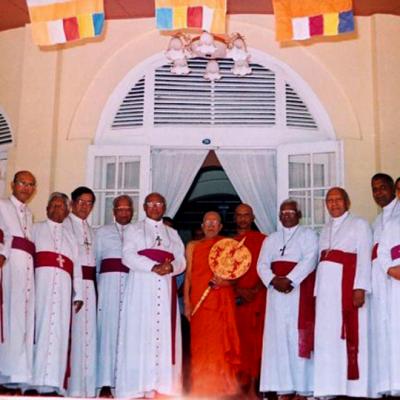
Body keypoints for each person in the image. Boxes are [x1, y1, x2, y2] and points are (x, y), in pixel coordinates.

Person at [116, 193, 185, 399]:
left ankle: (163, 385)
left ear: (164, 207)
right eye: (151, 204)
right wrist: (153, 267)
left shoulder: (172, 233)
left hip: (165, 288)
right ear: (144, 207)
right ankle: (137, 386)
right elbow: (127, 255)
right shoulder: (133, 229)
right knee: (140, 332)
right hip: (141, 288)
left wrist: (170, 267)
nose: (155, 207)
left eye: (159, 204)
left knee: (164, 332)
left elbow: (182, 260)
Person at [314, 187, 372, 398]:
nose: (334, 204)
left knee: (348, 335)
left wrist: (359, 287)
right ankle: (329, 387)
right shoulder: (325, 228)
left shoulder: (359, 224)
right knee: (327, 338)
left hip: (346, 288)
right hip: (326, 293)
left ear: (347, 202)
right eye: (329, 200)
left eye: (338, 199)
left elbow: (364, 256)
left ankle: (354, 389)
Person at [257, 200, 318, 400]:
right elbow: (262, 264)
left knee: (297, 338)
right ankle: (282, 388)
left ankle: (303, 387)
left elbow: (310, 258)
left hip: (299, 290)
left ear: (299, 214)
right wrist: (274, 280)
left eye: (291, 212)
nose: (287, 215)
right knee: (278, 340)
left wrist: (290, 279)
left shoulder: (308, 235)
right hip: (276, 294)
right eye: (283, 212)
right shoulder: (271, 239)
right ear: (279, 216)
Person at [31, 192, 83, 395]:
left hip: (63, 290)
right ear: (46, 209)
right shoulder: (36, 229)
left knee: (59, 332)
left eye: (61, 206)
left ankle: (54, 383)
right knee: (38, 330)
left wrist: (78, 294)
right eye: (52, 205)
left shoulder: (71, 238)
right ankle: (33, 382)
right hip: (40, 287)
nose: (56, 209)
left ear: (67, 210)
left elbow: (76, 267)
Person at [184, 211, 241, 397]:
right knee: (200, 348)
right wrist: (186, 303)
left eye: (214, 222)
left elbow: (236, 275)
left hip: (221, 305)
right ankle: (201, 389)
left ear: (220, 226)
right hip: (199, 306)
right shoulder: (193, 246)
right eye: (207, 221)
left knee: (220, 348)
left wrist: (225, 282)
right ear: (202, 225)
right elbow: (189, 277)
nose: (210, 225)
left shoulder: (227, 245)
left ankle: (223, 390)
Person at [0, 170, 36, 394]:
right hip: (9, 267)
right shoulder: (2, 205)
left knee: (21, 320)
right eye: (22, 183)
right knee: (7, 319)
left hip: (26, 270)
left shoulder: (29, 213)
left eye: (31, 185)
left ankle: (16, 374)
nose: (26, 188)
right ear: (13, 184)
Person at [95, 195, 133, 397]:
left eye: (128, 209)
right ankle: (106, 382)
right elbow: (96, 263)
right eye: (120, 209)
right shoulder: (101, 233)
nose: (124, 213)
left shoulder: (137, 232)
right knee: (107, 333)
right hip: (108, 288)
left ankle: (124, 380)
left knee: (128, 334)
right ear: (114, 211)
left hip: (130, 288)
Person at [369, 173, 400, 397]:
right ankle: (390, 384)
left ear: (392, 188)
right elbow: (378, 253)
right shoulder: (376, 222)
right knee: (387, 331)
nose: (379, 192)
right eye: (375, 189)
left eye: (383, 187)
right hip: (383, 281)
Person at [64, 186, 97, 397]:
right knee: (73, 336)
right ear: (72, 203)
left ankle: (86, 388)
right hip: (72, 286)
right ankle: (71, 388)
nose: (85, 207)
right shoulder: (65, 226)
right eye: (81, 202)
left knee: (88, 336)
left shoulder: (92, 231)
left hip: (90, 288)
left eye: (89, 203)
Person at [233, 204, 267, 398]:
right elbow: (224, 273)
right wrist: (238, 290)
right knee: (239, 344)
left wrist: (255, 289)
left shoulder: (264, 240)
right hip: (237, 300)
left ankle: (256, 388)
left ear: (253, 217)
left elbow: (269, 267)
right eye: (239, 215)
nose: (243, 219)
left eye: (247, 215)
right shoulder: (229, 243)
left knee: (257, 344)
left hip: (258, 298)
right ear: (235, 218)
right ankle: (240, 388)